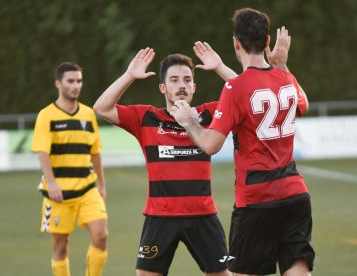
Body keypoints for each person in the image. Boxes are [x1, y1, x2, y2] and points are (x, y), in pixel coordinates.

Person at [171, 8, 315, 276]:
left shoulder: (234, 88)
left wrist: (190, 121)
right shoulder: (285, 78)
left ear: (236, 42)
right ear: (268, 42)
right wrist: (282, 64)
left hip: (257, 199)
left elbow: (211, 144)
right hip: (295, 194)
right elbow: (302, 105)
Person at [93, 49, 235, 276]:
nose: (182, 85)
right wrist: (129, 75)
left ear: (194, 88)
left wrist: (219, 67)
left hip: (202, 215)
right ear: (163, 88)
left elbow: (247, 94)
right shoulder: (146, 118)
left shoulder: (208, 114)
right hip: (160, 217)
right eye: (174, 80)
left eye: (188, 80)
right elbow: (101, 108)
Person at [31, 62, 108, 276]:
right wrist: (52, 182)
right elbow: (42, 151)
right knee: (61, 245)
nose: (76, 86)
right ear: (59, 84)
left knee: (101, 236)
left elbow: (95, 152)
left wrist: (101, 184)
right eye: (71, 81)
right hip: (59, 194)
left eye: (79, 81)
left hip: (87, 189)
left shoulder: (88, 114)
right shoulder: (46, 116)